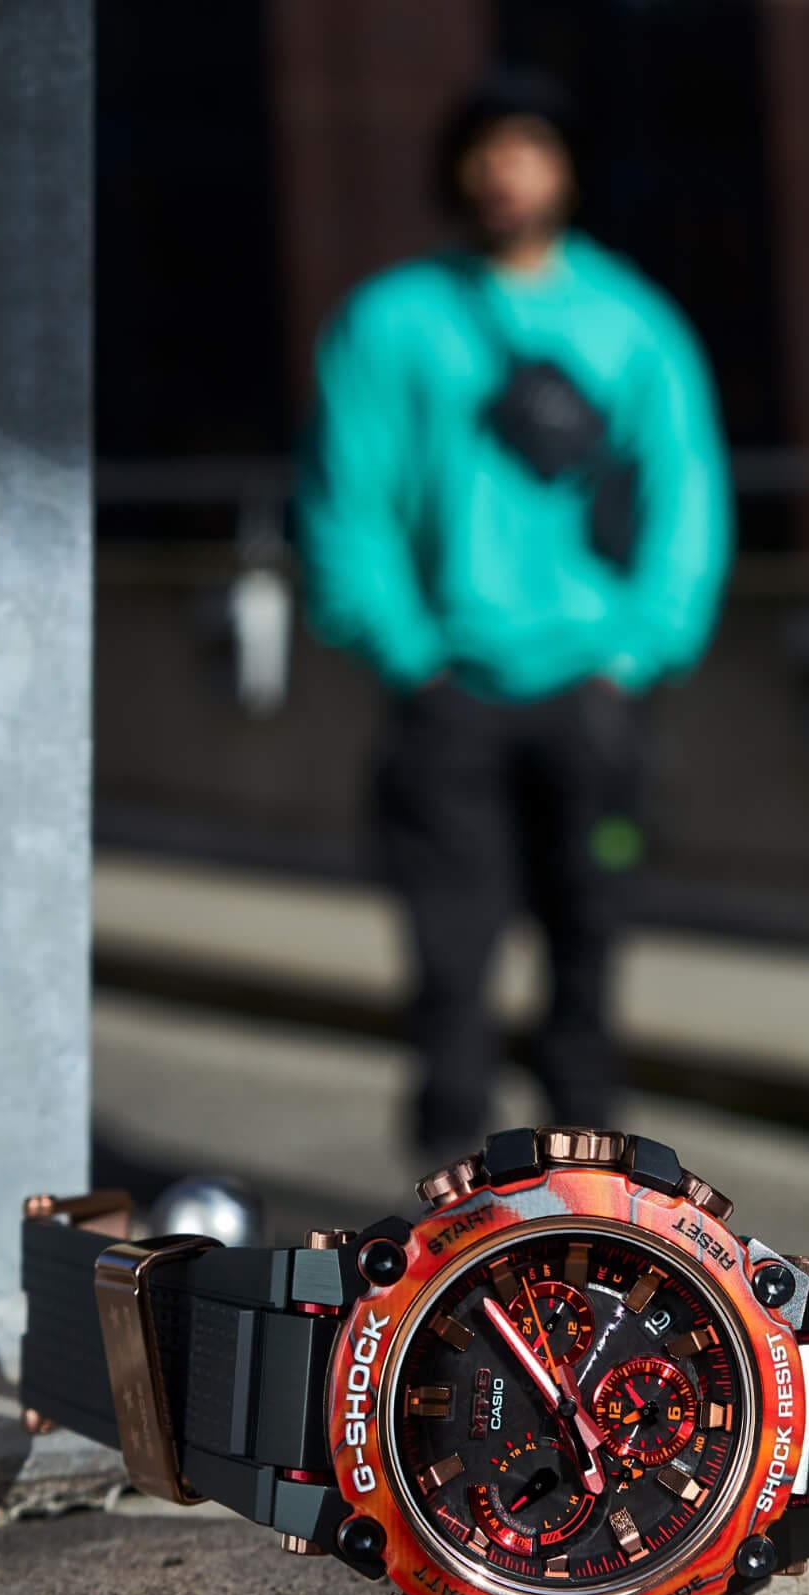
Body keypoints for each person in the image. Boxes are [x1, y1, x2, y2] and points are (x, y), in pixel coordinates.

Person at [296, 69, 732, 1166]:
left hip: (592, 690)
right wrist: (410, 654)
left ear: (567, 170)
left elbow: (687, 496)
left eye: (529, 148)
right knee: (449, 971)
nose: (505, 172)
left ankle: (584, 1220)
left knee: (587, 956)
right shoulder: (391, 320)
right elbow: (347, 499)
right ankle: (443, 1230)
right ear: (455, 170)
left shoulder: (632, 323)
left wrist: (637, 650)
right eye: (486, 149)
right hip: (452, 694)